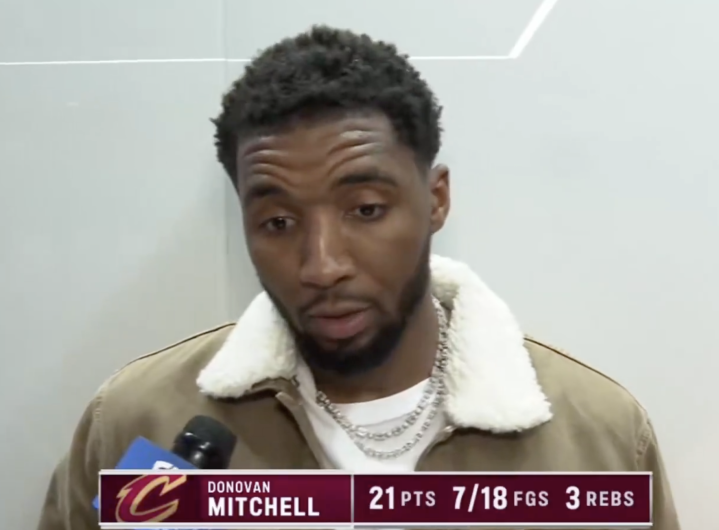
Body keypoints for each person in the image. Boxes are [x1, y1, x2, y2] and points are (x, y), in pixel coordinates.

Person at [37, 25, 680, 530]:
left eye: (366, 210)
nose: (322, 265)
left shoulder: (595, 441)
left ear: (435, 200)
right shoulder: (138, 422)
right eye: (278, 222)